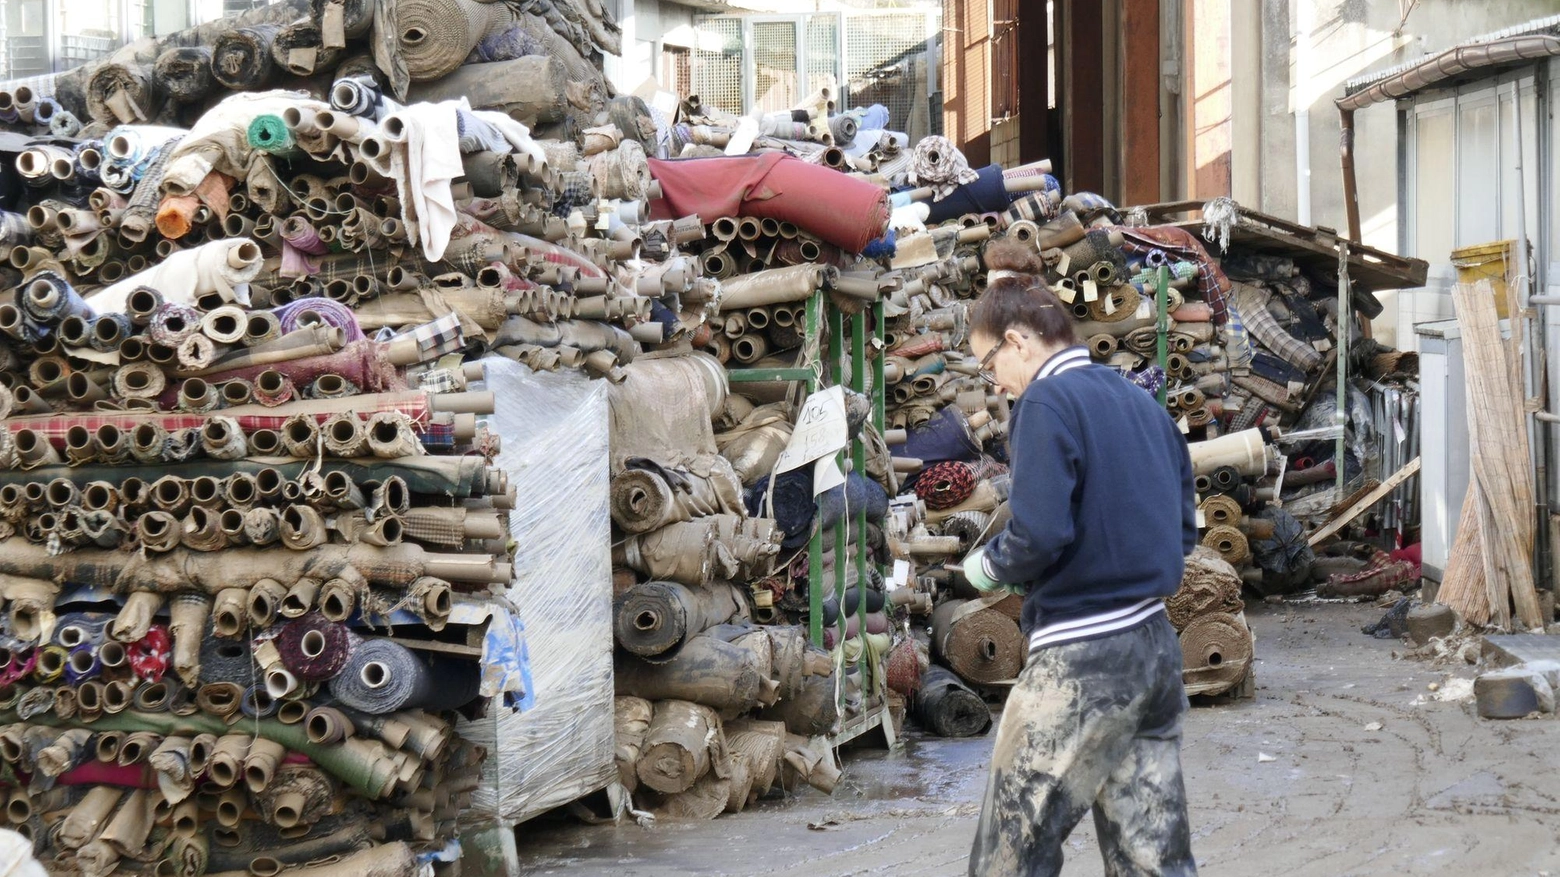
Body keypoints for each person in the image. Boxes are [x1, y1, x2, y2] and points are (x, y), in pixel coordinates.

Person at [961, 240, 1198, 877]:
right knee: (1154, 854)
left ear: (1017, 341)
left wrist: (990, 567)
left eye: (989, 366)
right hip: (1153, 648)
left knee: (1011, 849)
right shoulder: (1141, 403)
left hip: (1081, 656)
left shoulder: (1045, 403)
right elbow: (1185, 529)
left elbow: (1038, 534)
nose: (996, 384)